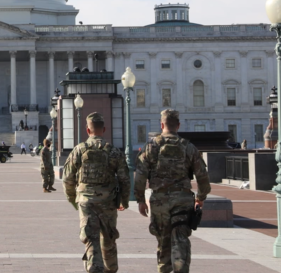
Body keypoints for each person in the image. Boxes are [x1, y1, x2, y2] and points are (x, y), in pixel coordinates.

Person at [134, 109, 211, 273]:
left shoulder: (151, 147)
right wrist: (200, 197)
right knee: (181, 239)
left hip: (159, 202)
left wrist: (140, 200)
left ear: (162, 125)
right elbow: (202, 177)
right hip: (183, 200)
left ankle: (164, 269)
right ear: (178, 125)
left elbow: (140, 176)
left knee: (163, 241)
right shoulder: (189, 147)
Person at [63, 112, 130, 273]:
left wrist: (74, 200)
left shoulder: (79, 150)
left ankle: (94, 269)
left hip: (86, 202)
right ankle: (111, 269)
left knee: (91, 240)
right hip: (108, 202)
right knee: (109, 239)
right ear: (104, 129)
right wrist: (124, 201)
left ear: (87, 130)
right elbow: (125, 179)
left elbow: (67, 179)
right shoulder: (113, 151)